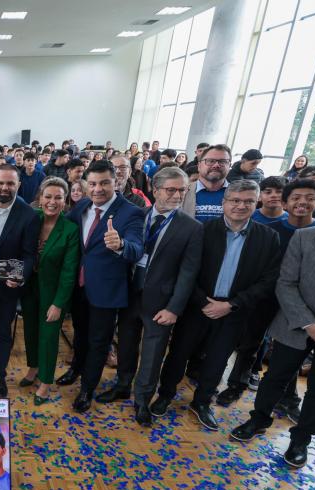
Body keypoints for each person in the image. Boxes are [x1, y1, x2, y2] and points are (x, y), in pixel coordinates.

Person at [229, 182, 315, 468]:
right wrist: (309, 323)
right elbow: (286, 283)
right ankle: (258, 420)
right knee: (275, 378)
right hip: (296, 326)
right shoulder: (306, 238)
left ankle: (300, 440)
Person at [152, 181, 281, 430]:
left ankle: (202, 402)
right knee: (178, 354)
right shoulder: (202, 230)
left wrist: (232, 304)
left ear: (257, 204)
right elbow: (188, 271)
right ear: (224, 202)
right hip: (196, 307)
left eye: (248, 201)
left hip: (234, 312)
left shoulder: (268, 238)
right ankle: (166, 394)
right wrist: (202, 302)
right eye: (234, 200)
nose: (240, 206)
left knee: (218, 359)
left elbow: (269, 280)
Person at [94, 167, 202, 426]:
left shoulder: (192, 228)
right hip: (130, 293)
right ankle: (122, 385)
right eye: (171, 189)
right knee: (126, 345)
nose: (177, 195)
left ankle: (142, 400)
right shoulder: (136, 216)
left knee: (153, 354)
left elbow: (189, 273)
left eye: (182, 190)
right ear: (155, 190)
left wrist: (175, 308)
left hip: (161, 303)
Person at [218, 179, 315, 412]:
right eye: (296, 198)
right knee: (250, 343)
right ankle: (237, 383)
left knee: (294, 351)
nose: (302, 203)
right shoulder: (271, 231)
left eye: (309, 198)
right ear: (285, 202)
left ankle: (288, 397)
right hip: (265, 297)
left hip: (304, 303)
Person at [56, 160, 144, 414]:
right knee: (80, 334)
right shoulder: (82, 206)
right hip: (79, 287)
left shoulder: (131, 212)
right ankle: (76, 368)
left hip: (106, 291)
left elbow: (137, 249)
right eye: (92, 183)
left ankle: (87, 389)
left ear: (116, 181)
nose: (97, 189)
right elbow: (63, 228)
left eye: (104, 183)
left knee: (98, 341)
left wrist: (120, 246)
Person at [0, 166, 39, 397]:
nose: (5, 188)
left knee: (3, 332)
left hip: (6, 285)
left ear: (18, 185)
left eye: (10, 184)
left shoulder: (29, 215)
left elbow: (29, 254)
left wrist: (21, 276)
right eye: (1, 183)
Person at [18, 178, 79, 404]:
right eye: (48, 196)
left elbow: (69, 271)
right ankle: (33, 368)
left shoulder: (70, 229)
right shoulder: (33, 219)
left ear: (66, 201)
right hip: (29, 288)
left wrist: (59, 303)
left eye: (58, 197)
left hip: (53, 294)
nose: (52, 202)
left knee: (49, 337)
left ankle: (45, 382)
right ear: (40, 198)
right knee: (31, 331)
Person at [181, 144, 233, 222]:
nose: (216, 165)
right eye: (210, 161)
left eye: (222, 161)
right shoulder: (182, 192)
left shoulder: (239, 194)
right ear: (199, 166)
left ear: (229, 166)